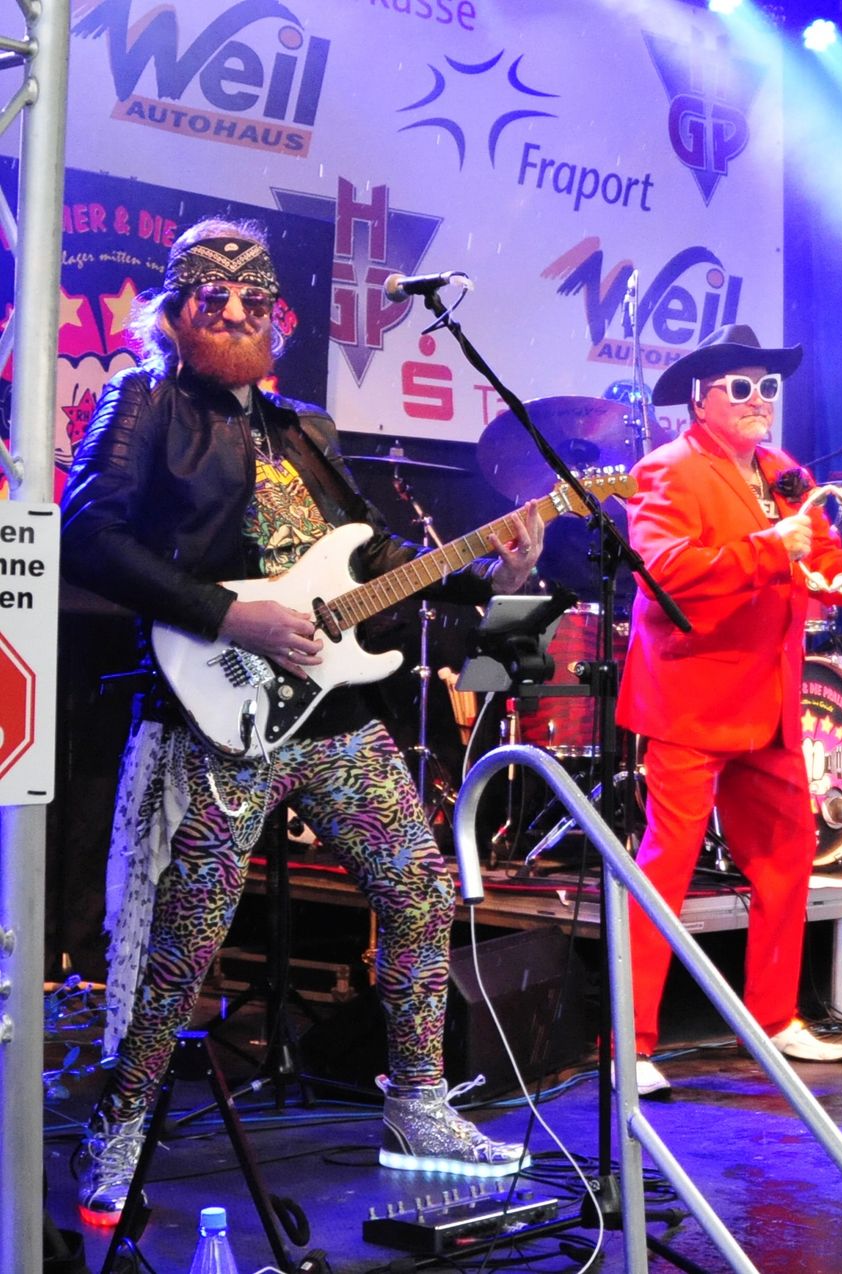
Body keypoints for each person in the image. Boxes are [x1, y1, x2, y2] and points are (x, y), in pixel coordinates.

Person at [62, 220, 544, 1225]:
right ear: (175, 310)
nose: (234, 315)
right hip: (217, 715)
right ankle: (121, 1126)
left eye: (253, 302)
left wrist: (497, 568)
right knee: (183, 941)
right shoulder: (145, 400)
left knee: (419, 887)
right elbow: (88, 535)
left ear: (277, 317)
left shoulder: (305, 428)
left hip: (333, 713)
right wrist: (227, 614)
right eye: (212, 299)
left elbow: (378, 566)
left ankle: (418, 1107)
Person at [617, 324, 842, 1098]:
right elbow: (664, 575)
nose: (758, 400)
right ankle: (630, 1043)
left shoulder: (783, 472)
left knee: (786, 858)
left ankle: (773, 1019)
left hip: (769, 698)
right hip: (692, 698)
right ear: (700, 400)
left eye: (766, 387)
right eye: (741, 388)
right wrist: (773, 548)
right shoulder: (666, 470)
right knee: (666, 867)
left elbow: (817, 562)